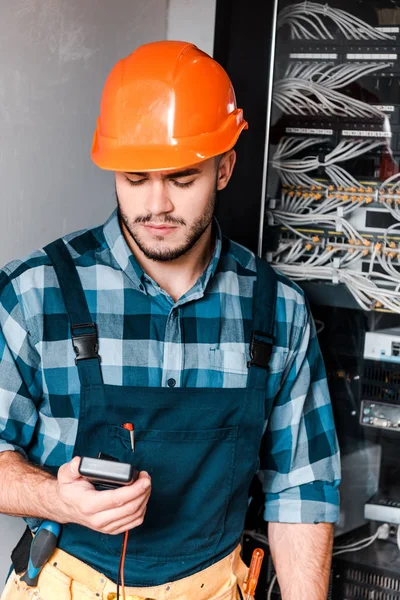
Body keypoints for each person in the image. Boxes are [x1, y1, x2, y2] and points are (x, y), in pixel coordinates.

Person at [0, 41, 340, 600]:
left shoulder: (279, 312)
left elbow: (301, 491)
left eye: (181, 178)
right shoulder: (37, 292)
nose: (156, 205)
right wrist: (56, 499)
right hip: (65, 584)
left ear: (224, 167)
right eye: (136, 178)